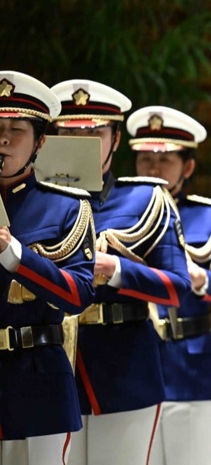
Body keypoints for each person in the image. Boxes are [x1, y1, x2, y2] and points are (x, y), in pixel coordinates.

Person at [51, 79, 192, 465]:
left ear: (115, 140)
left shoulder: (146, 198)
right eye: (69, 132)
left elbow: (179, 288)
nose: (81, 141)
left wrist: (115, 269)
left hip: (123, 367)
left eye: (94, 132)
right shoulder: (28, 200)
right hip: (45, 369)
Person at [127, 106, 211, 465]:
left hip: (189, 364)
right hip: (128, 359)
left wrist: (201, 278)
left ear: (188, 166)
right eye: (145, 159)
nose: (154, 169)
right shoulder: (116, 212)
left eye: (165, 160)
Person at [0, 71, 95, 464]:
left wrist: (16, 256)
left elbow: (79, 295)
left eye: (16, 129)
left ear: (40, 142)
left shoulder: (66, 206)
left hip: (37, 373)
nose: (3, 138)